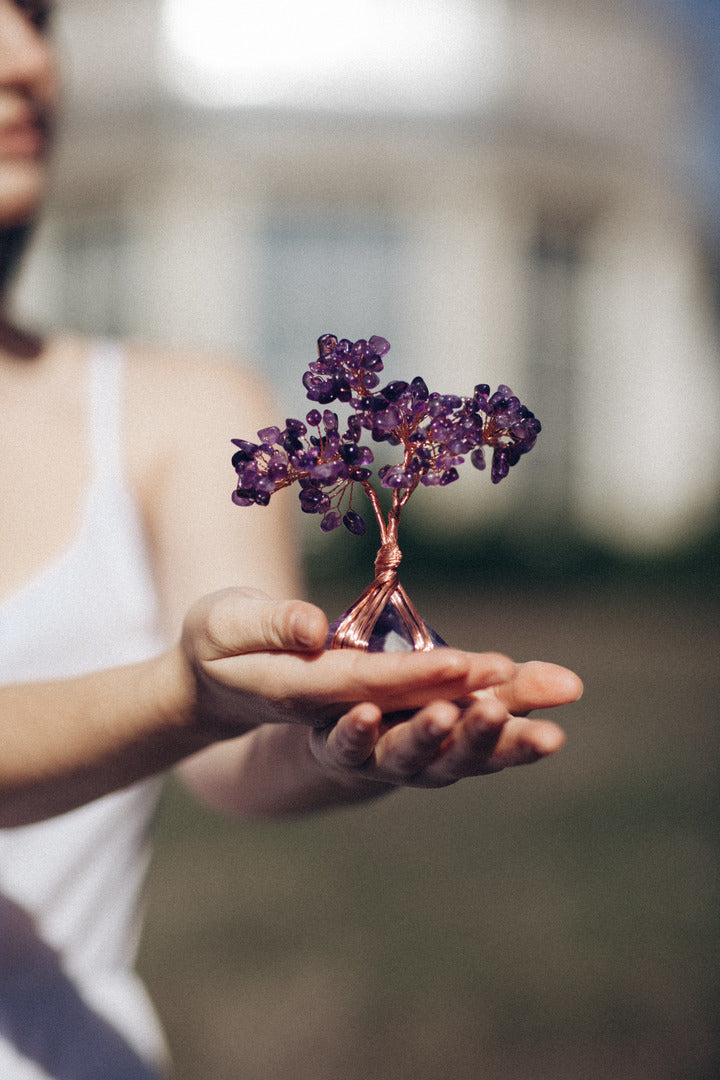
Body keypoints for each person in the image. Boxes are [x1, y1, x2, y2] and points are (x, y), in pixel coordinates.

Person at [0, 1, 583, 1076]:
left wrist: (344, 734)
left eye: (39, 13)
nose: (29, 57)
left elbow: (237, 764)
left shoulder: (173, 409)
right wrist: (185, 695)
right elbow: (200, 705)